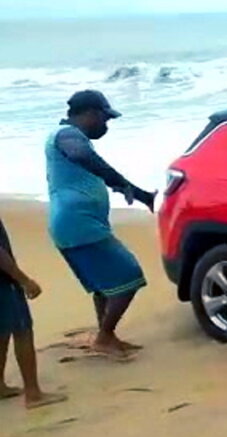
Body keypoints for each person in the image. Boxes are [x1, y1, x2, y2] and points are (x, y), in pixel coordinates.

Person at [47, 90, 155, 358]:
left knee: (104, 286)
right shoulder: (68, 135)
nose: (106, 125)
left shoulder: (66, 135)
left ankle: (107, 335)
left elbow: (92, 167)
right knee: (130, 277)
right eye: (104, 119)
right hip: (79, 225)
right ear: (91, 114)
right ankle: (104, 337)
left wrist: (136, 193)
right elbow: (82, 156)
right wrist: (122, 182)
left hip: (76, 223)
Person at [0, 216, 67, 409]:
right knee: (22, 330)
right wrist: (23, 280)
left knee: (3, 330)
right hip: (3, 282)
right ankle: (33, 393)